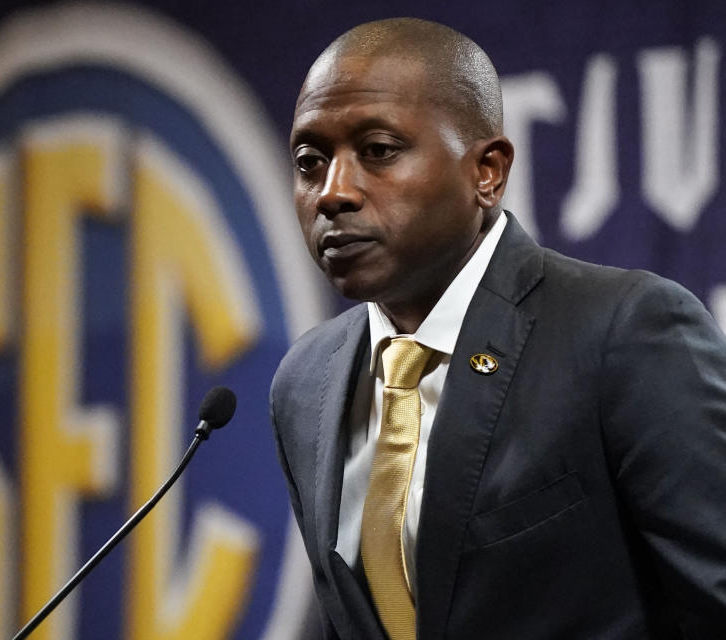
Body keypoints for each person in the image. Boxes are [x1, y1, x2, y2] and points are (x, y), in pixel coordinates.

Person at [269, 17, 726, 639]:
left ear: (487, 172)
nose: (332, 192)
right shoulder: (305, 381)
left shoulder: (622, 333)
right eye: (308, 161)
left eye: (377, 151)